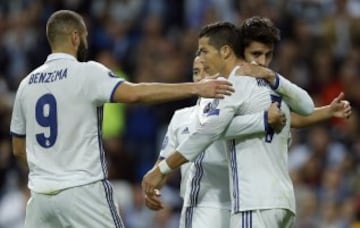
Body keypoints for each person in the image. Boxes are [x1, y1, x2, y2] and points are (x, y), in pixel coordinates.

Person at [9, 10, 235, 228]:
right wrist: (196, 87)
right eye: (85, 35)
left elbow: (18, 149)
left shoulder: (26, 85)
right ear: (75, 37)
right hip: (82, 191)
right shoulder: (86, 72)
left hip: (40, 197)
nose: (87, 40)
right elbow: (136, 93)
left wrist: (49, 171)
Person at [142, 21, 317, 227]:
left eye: (205, 51)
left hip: (252, 202)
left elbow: (207, 132)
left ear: (225, 51)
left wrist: (161, 169)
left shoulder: (234, 84)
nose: (202, 58)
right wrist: (263, 118)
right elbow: (307, 108)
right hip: (283, 201)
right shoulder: (271, 88)